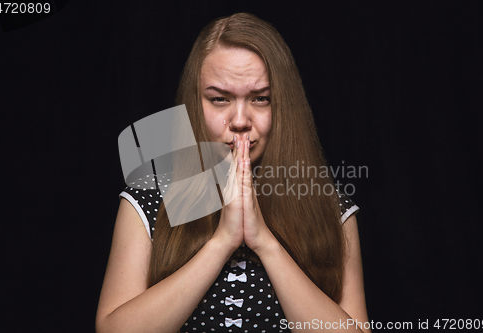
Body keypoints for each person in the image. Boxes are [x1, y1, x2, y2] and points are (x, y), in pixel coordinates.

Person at [96, 13, 370, 333]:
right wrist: (222, 242)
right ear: (195, 105)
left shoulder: (329, 206)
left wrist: (264, 242)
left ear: (283, 106)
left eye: (260, 99)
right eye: (220, 99)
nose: (240, 120)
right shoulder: (147, 197)